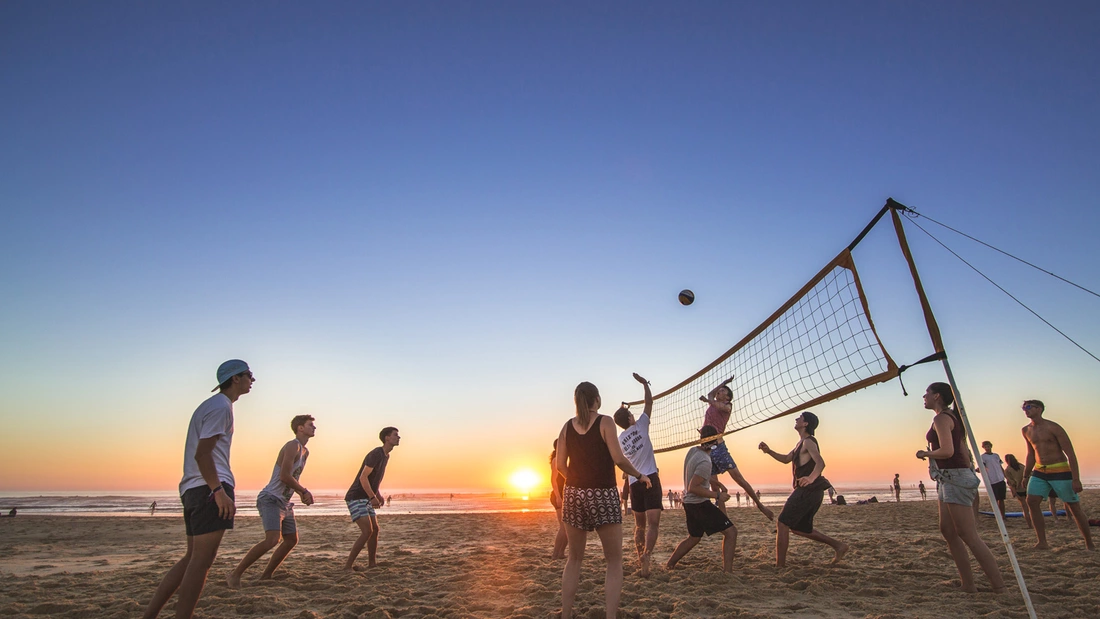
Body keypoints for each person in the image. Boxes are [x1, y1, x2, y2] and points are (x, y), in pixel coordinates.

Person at [143, 360, 255, 619]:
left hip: (193, 488)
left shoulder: (211, 405)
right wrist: (218, 491)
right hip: (208, 487)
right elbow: (203, 454)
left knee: (191, 558)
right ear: (235, 379)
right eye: (249, 375)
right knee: (201, 562)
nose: (253, 380)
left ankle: (150, 615)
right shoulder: (221, 407)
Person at [556, 382, 651, 619]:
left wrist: (578, 481)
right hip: (603, 494)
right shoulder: (605, 421)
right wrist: (640, 475)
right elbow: (618, 459)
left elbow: (559, 466)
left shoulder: (567, 427)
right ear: (597, 399)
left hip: (573, 494)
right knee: (614, 560)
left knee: (574, 560)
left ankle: (566, 614)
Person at [915, 382, 1005, 593]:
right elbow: (961, 449)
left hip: (955, 476)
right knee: (948, 531)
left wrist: (925, 454)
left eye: (926, 393)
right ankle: (968, 585)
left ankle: (1000, 587)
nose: (924, 396)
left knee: (968, 534)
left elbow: (947, 451)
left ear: (937, 396)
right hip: (948, 478)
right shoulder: (949, 417)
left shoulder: (943, 418)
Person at [227, 415, 316, 587]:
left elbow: (293, 478)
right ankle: (235, 574)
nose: (314, 428)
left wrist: (300, 493)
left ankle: (266, 575)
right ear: (300, 428)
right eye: (310, 425)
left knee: (291, 539)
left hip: (284, 502)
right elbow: (284, 476)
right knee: (272, 539)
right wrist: (304, 490)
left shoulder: (305, 452)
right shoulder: (292, 446)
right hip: (271, 499)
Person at [759, 412, 848, 568]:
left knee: (782, 523)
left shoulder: (808, 442)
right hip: (811, 491)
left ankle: (780, 566)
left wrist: (811, 478)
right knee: (799, 529)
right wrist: (769, 451)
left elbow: (820, 463)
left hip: (809, 489)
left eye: (799, 418)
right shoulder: (800, 444)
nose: (796, 419)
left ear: (805, 424)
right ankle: (838, 546)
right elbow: (786, 459)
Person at [1021, 399, 1094, 550]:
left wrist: (1076, 479)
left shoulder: (1053, 427)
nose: (1025, 410)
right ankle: (1042, 542)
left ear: (1039, 409)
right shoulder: (1026, 430)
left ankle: (1089, 542)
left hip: (1060, 469)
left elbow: (1070, 454)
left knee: (1073, 506)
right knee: (1032, 501)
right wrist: (1025, 475)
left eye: (1028, 407)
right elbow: (1030, 454)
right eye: (1023, 407)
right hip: (1040, 470)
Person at [699, 376, 773, 520]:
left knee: (738, 478)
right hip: (706, 447)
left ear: (727, 397)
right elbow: (710, 394)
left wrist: (710, 401)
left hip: (718, 447)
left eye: (722, 392)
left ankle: (760, 505)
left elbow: (718, 404)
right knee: (713, 485)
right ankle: (724, 518)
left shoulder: (727, 406)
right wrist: (724, 383)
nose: (718, 393)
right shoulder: (712, 403)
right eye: (718, 391)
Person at [666, 425, 736, 572]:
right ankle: (728, 572)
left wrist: (715, 482)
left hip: (689, 503)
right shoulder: (705, 461)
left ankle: (669, 564)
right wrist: (717, 495)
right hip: (699, 504)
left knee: (694, 537)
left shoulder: (692, 451)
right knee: (731, 532)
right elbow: (694, 487)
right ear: (714, 442)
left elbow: (697, 477)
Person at [613, 373, 663, 577]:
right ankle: (648, 555)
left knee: (639, 526)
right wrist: (645, 384)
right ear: (630, 418)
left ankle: (639, 554)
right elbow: (649, 402)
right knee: (653, 524)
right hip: (650, 477)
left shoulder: (619, 439)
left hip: (634, 482)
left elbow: (620, 462)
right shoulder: (641, 425)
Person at [344, 427, 401, 571]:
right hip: (356, 497)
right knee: (367, 531)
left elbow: (374, 479)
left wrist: (378, 494)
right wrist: (372, 496)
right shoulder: (376, 453)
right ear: (387, 438)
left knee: (375, 529)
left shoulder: (386, 456)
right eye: (395, 435)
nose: (398, 437)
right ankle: (347, 566)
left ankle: (372, 563)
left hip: (366, 497)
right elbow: (363, 477)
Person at [549, 439, 568, 560]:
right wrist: (558, 497)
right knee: (563, 526)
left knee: (569, 527)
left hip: (566, 494)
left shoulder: (565, 460)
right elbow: (553, 481)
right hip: (558, 496)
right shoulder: (556, 460)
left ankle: (561, 553)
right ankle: (555, 554)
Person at [978, 441, 1007, 519]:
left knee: (1001, 499)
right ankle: (998, 516)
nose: (987, 448)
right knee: (995, 499)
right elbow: (982, 467)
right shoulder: (983, 457)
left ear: (991, 446)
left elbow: (1000, 466)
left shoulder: (996, 455)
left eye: (988, 446)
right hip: (991, 480)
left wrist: (1005, 476)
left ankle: (1003, 515)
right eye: (985, 447)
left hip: (1000, 478)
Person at [1002, 454, 1031, 528]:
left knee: (1024, 507)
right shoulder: (1021, 466)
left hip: (1019, 489)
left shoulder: (1008, 470)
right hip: (1027, 487)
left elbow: (1011, 483)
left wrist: (1014, 492)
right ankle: (1034, 523)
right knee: (1031, 506)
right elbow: (1029, 474)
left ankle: (1030, 525)